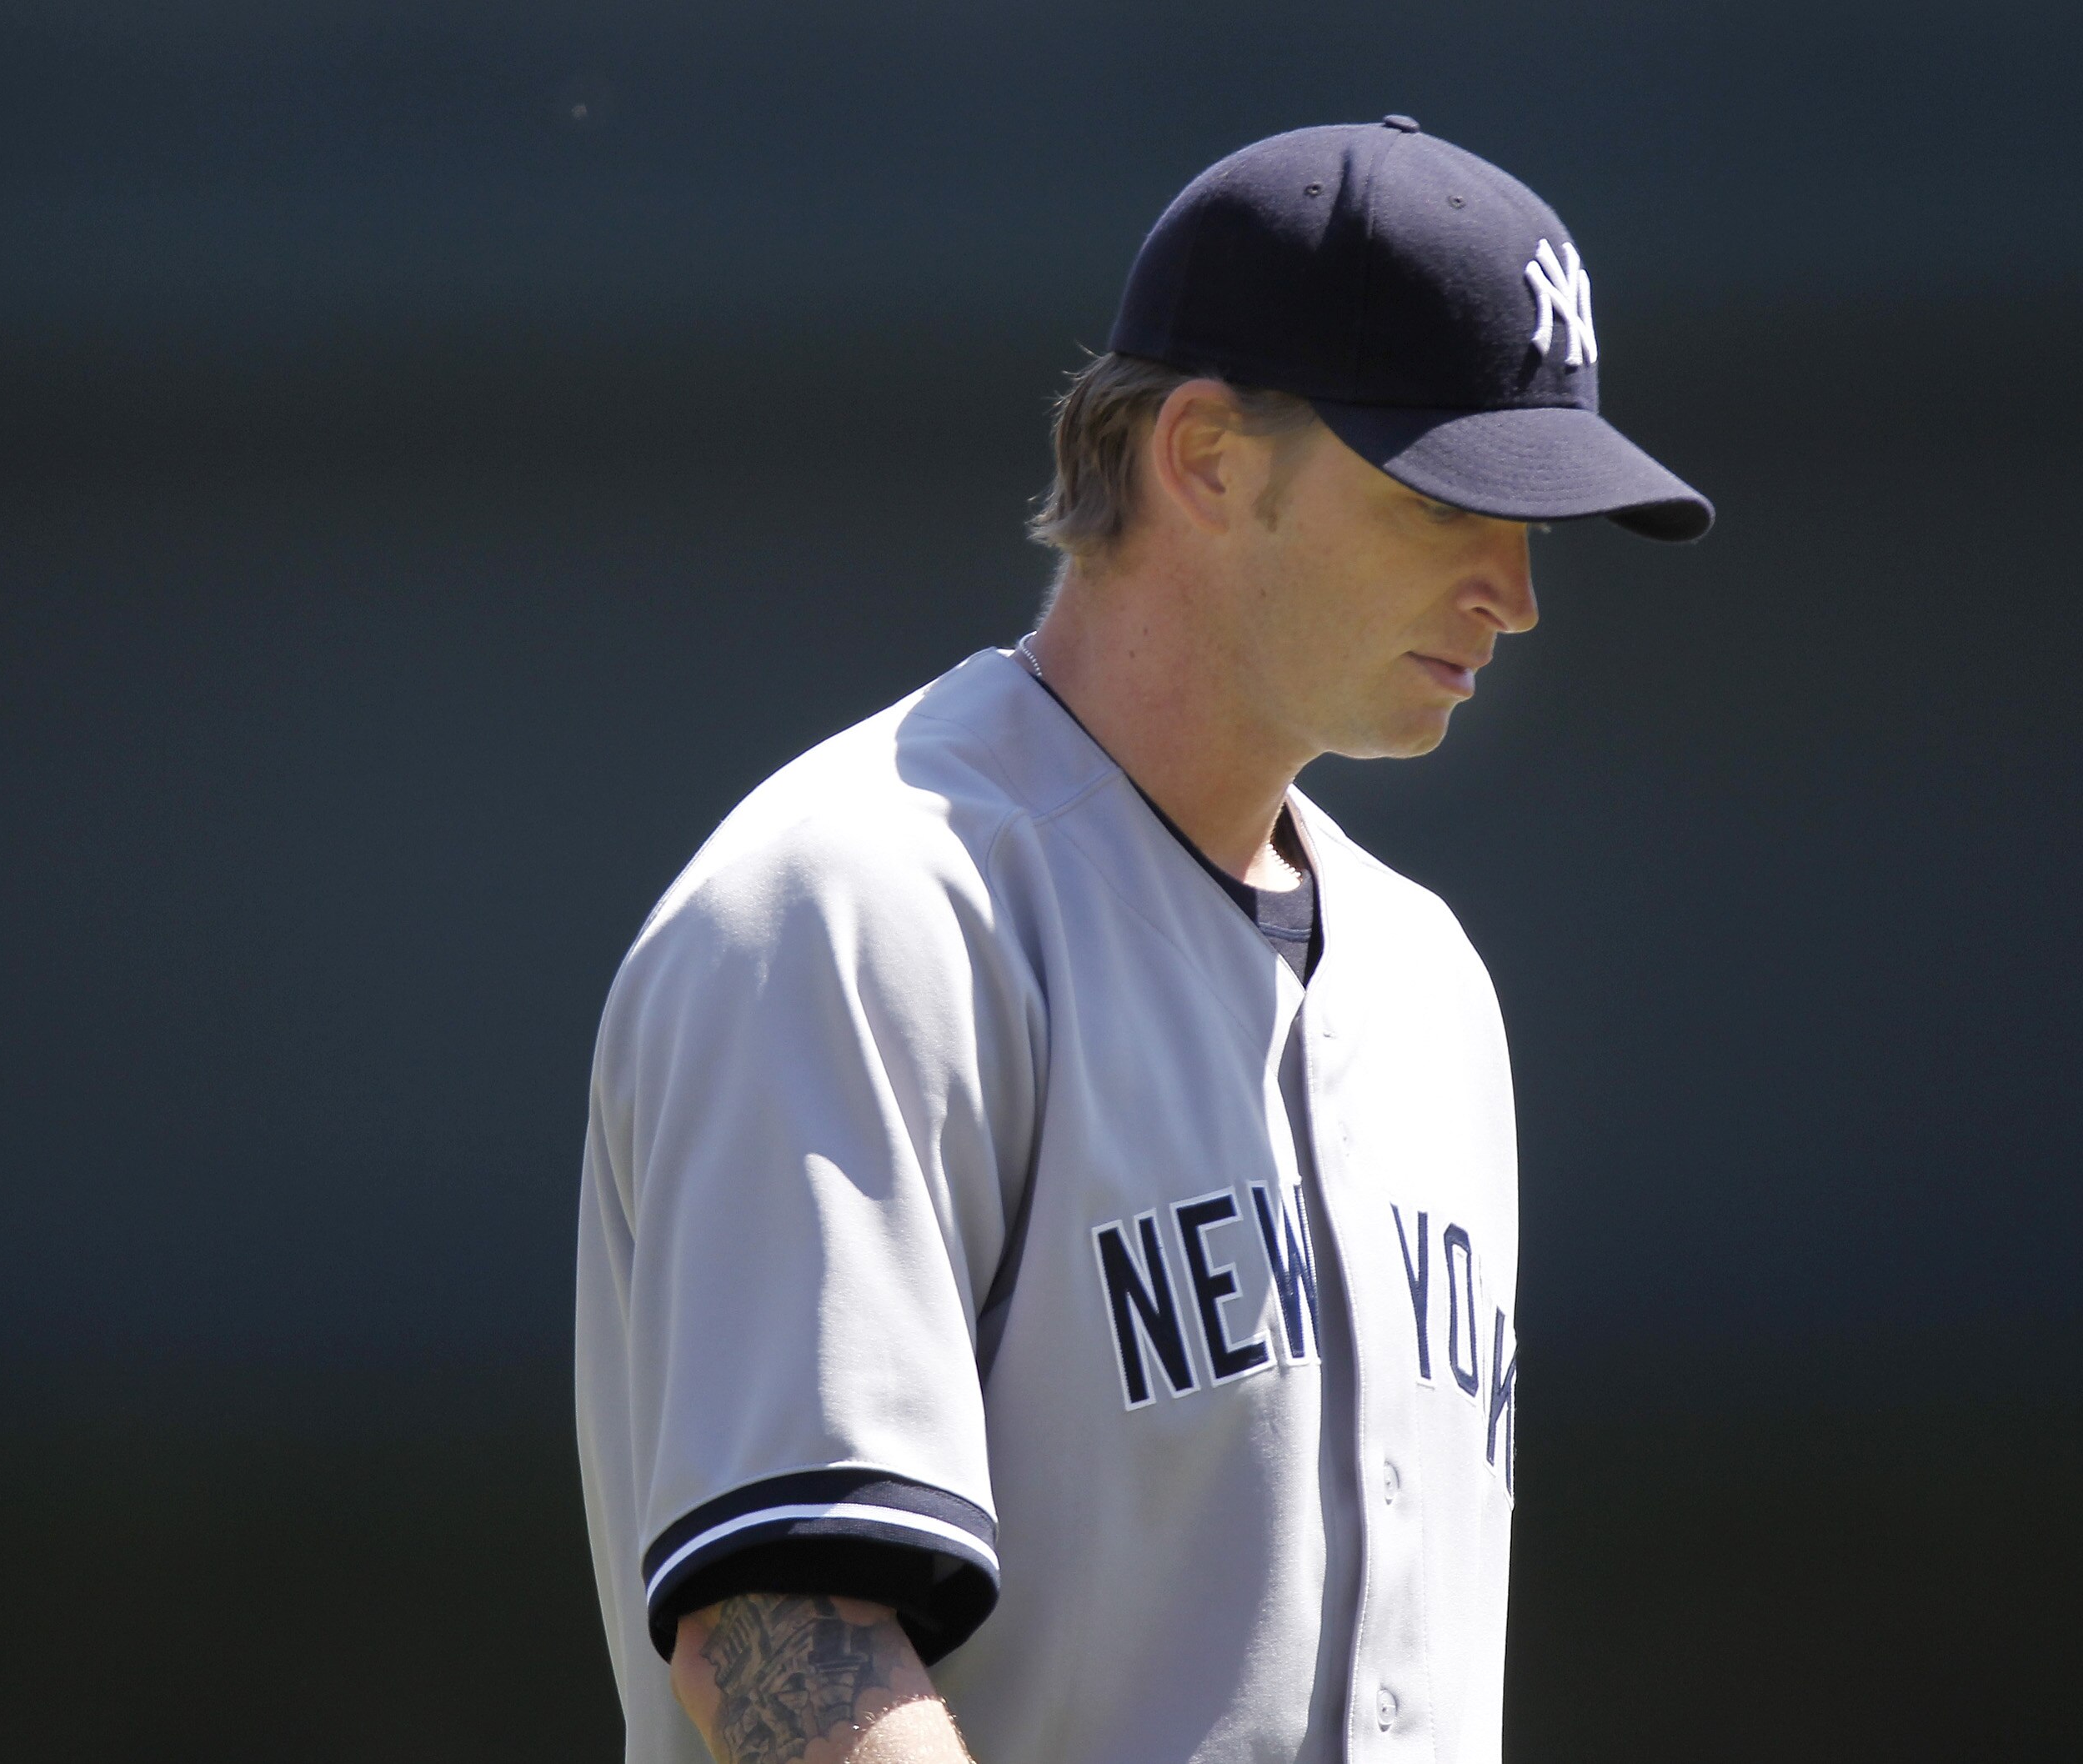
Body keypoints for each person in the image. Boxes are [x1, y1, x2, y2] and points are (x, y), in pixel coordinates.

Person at [575, 117, 1710, 1764]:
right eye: (1450, 496)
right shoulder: (860, 908)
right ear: (1203, 458)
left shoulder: (1432, 986)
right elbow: (786, 1630)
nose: (1513, 589)